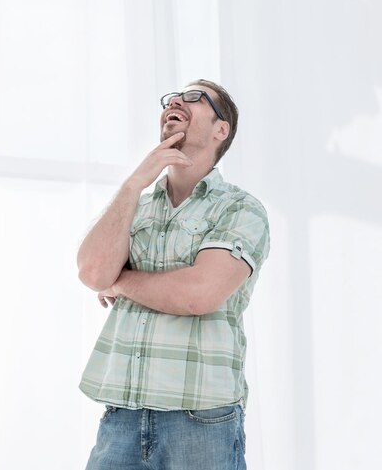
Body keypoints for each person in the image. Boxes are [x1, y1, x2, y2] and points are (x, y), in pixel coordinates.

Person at [77, 79, 270, 470]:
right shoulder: (135, 207)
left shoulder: (240, 209)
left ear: (221, 130)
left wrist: (121, 281)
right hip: (122, 418)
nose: (178, 101)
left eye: (196, 97)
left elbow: (198, 294)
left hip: (200, 423)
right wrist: (134, 183)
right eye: (173, 98)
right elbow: (93, 270)